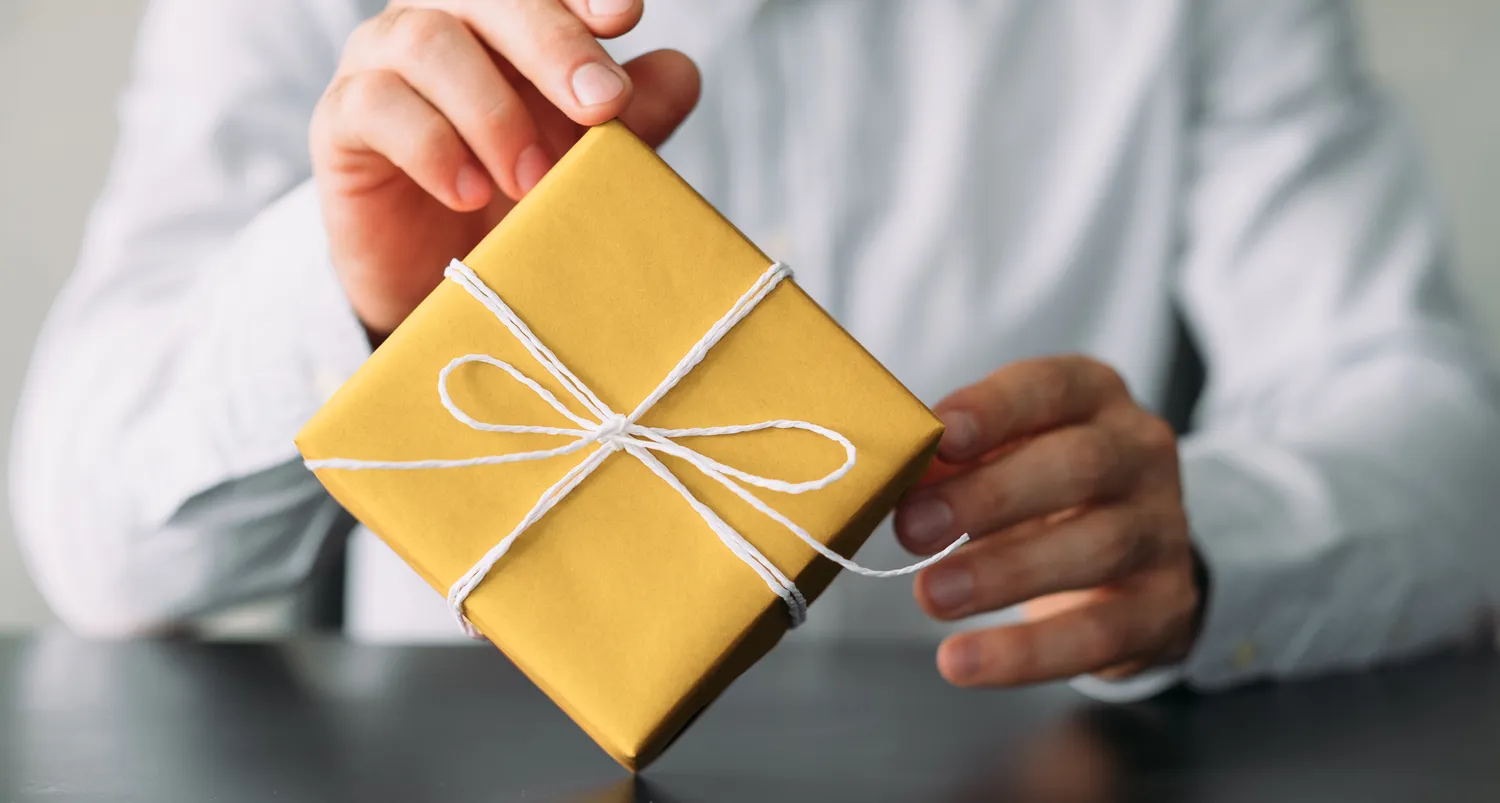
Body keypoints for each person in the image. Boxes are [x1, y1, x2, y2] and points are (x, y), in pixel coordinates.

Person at [11, 0, 1500, 701]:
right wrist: (340, 297)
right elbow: (92, 543)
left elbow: (1442, 443)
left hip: (1002, 762)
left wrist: (1204, 540)